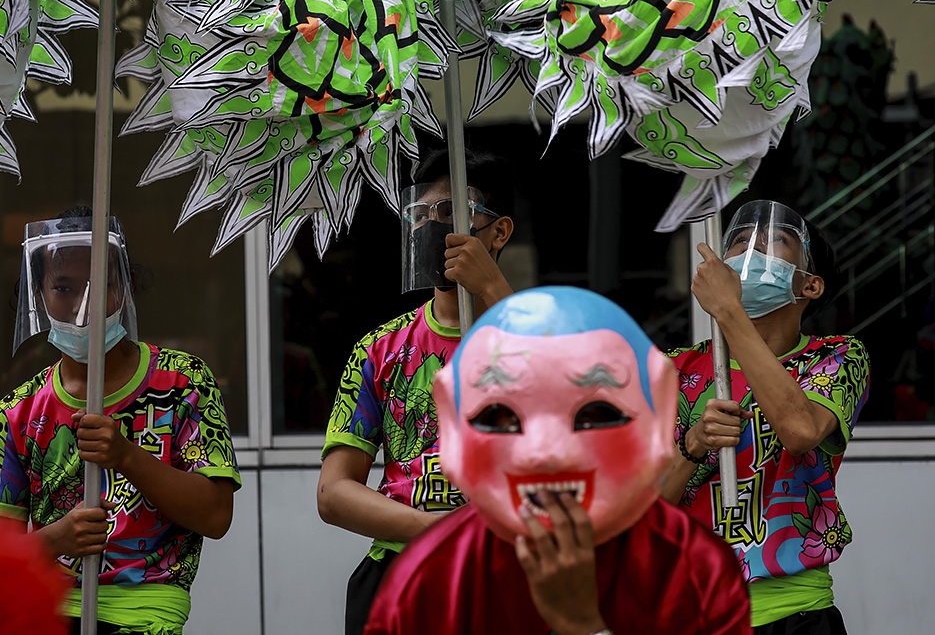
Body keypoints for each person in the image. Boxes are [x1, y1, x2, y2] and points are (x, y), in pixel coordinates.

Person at [364, 286, 752, 634]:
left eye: (596, 414)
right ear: (450, 425)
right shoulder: (430, 579)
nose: (546, 453)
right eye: (500, 417)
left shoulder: (694, 568)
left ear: (661, 412)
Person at [0, 207, 240, 635]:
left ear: (125, 288)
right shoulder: (18, 412)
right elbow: (5, 559)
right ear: (38, 292)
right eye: (63, 288)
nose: (83, 306)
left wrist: (127, 456)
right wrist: (55, 539)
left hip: (146, 607)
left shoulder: (184, 382)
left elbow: (216, 515)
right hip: (46, 606)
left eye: (100, 285)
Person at [317, 149, 516, 635]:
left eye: (450, 212)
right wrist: (434, 529)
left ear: (499, 232)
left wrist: (494, 289)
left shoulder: (543, 334)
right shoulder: (380, 350)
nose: (432, 226)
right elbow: (334, 492)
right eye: (420, 214)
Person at [660, 200, 870, 633]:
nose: (751, 252)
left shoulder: (835, 358)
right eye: (738, 242)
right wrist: (692, 446)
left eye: (776, 241)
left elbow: (800, 431)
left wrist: (729, 312)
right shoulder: (674, 371)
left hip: (795, 611)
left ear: (810, 286)